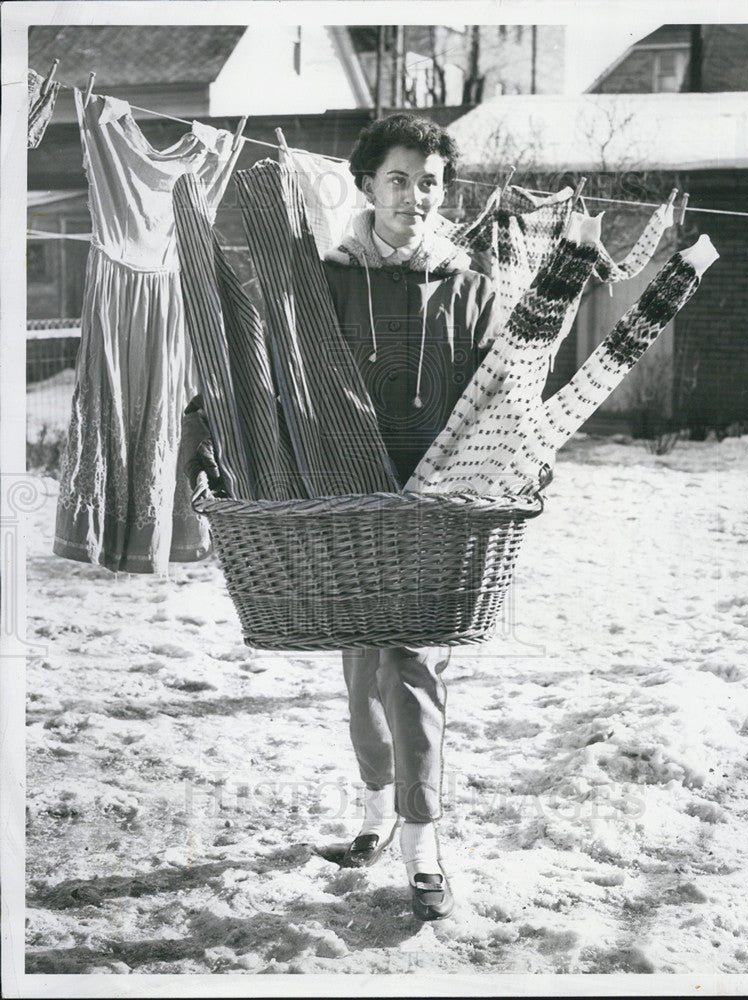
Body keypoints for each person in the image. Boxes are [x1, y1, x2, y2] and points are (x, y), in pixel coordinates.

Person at [185, 113, 499, 921]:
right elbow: (251, 361)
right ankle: (371, 817)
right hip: (340, 498)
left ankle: (421, 846)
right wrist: (202, 437)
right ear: (366, 185)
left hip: (432, 504)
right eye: (398, 178)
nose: (415, 196)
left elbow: (507, 389)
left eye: (429, 182)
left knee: (415, 668)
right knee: (360, 668)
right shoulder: (320, 277)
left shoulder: (469, 286)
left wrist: (526, 460)